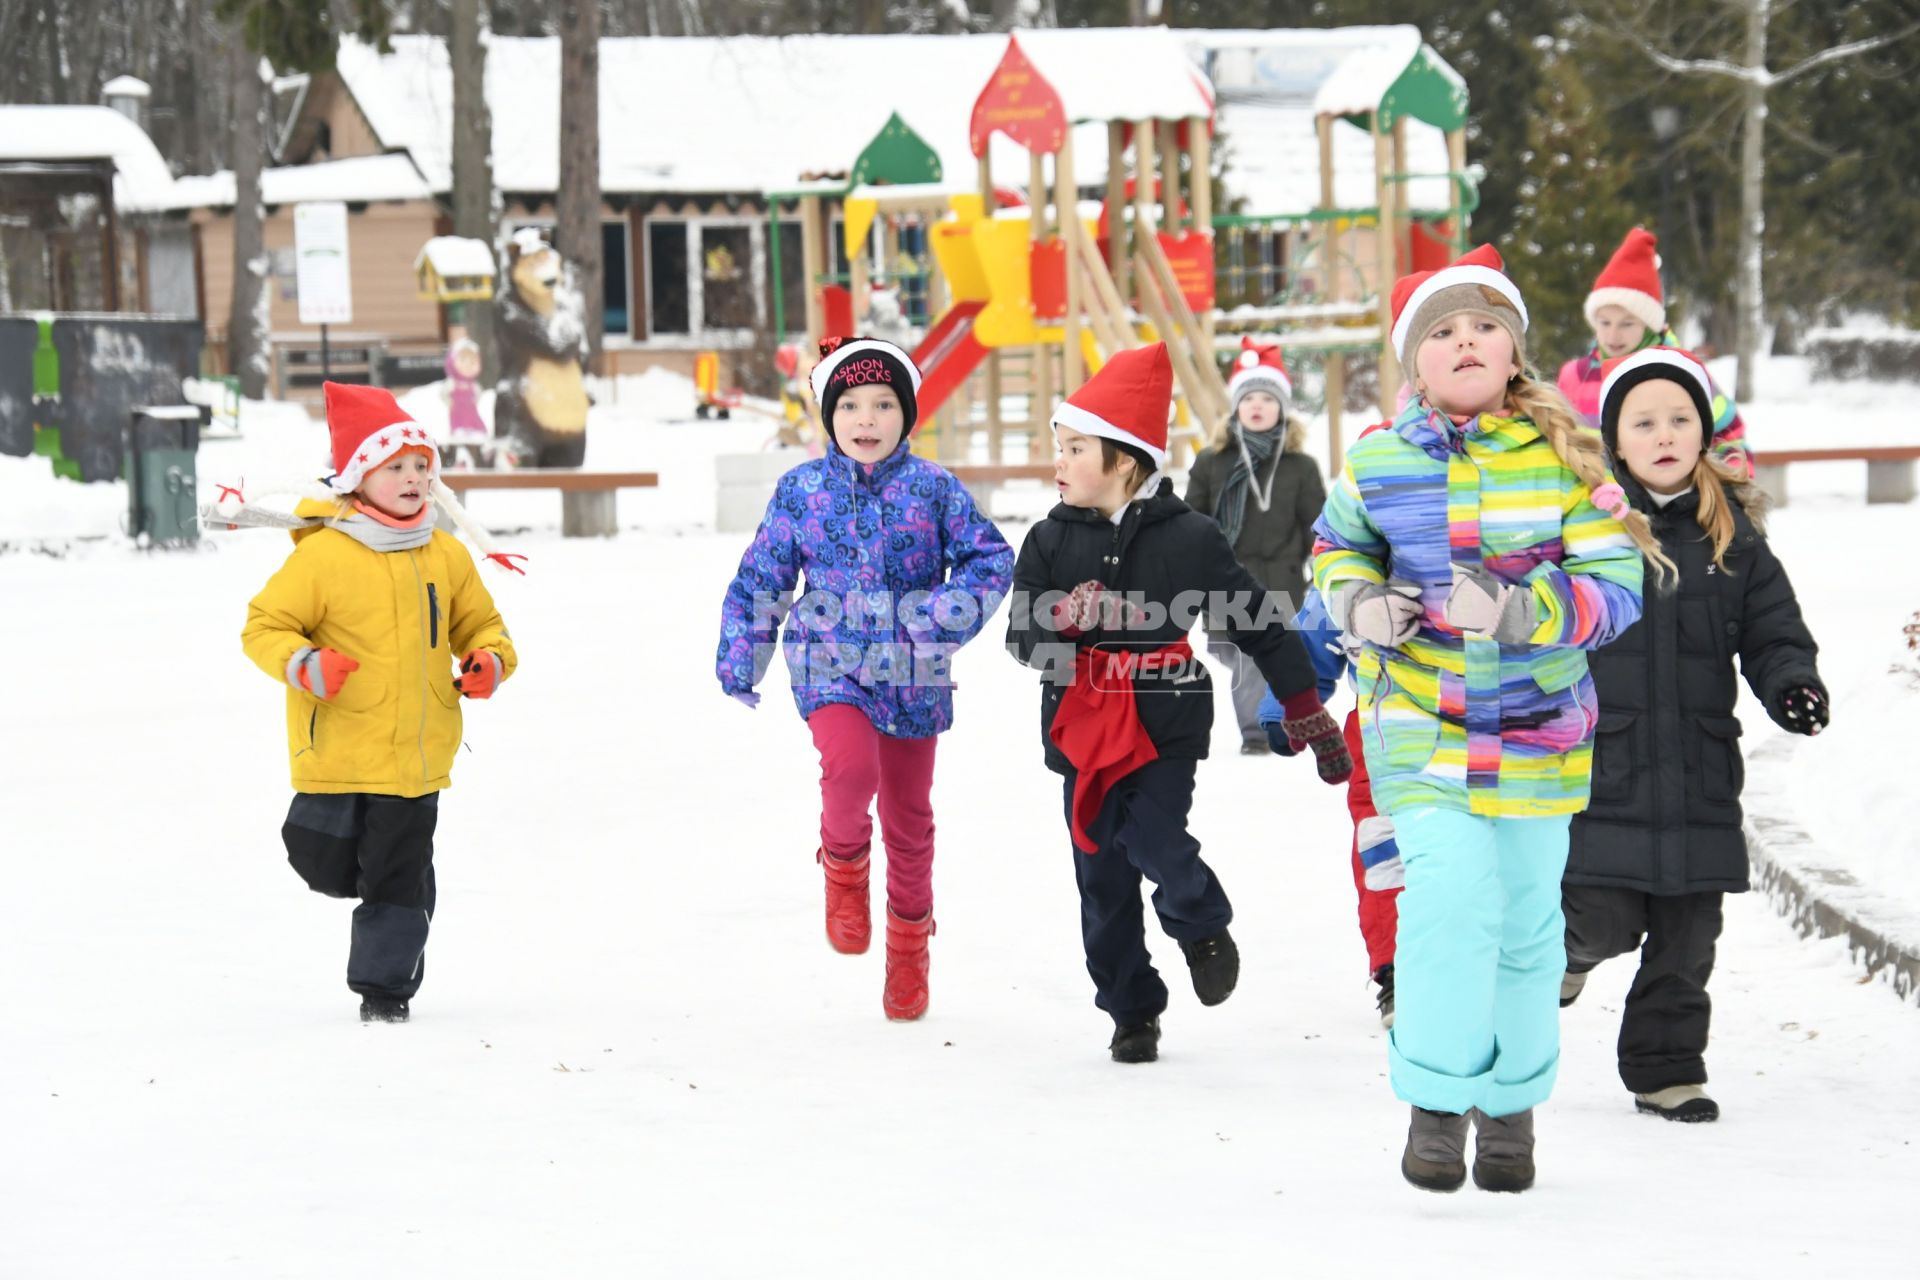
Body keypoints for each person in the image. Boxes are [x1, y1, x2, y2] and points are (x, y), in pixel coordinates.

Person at [1312, 245, 1663, 1193]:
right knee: (1446, 904)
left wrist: (1520, 610)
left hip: (1538, 732)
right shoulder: (1378, 463)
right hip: (1420, 723)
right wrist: (1359, 606)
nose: (1465, 340)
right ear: (1412, 362)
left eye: (1483, 326)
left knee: (1524, 928)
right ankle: (1435, 1100)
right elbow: (1332, 550)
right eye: (1442, 330)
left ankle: (1510, 1109)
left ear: (1514, 352)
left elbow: (1615, 585)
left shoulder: (1564, 461)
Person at [1006, 342, 1352, 1065]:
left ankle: (1198, 919)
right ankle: (1131, 1009)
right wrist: (1061, 625)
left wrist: (1304, 707)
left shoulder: (1189, 538)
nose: (1060, 463)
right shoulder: (1045, 539)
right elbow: (1021, 638)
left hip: (1164, 717)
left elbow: (1257, 620)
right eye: (1058, 448)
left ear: (1124, 461)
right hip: (1080, 725)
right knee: (1100, 877)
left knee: (1155, 837)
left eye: (1074, 448)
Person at [1561, 346, 1827, 1123]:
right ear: (1615, 439)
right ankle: (1568, 957)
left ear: (1705, 434)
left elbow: (1775, 632)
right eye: (1645, 422)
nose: (1666, 433)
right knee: (1603, 912)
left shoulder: (1733, 537)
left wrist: (1793, 685)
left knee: (1687, 938)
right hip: (1604, 763)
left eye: (1682, 418)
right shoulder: (1589, 527)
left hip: (1702, 767)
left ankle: (1666, 1069)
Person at [716, 337, 1014, 1022]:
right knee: (851, 773)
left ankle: (909, 951)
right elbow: (764, 576)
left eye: (883, 404)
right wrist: (743, 651)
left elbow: (990, 560)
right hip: (830, 662)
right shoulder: (803, 490)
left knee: (909, 819)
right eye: (849, 404)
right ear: (830, 415)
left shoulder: (934, 488)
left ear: (906, 415)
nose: (867, 419)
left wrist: (938, 618)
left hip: (913, 673)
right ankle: (844, 866)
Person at [242, 382, 518, 1024]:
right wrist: (304, 663)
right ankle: (395, 898)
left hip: (415, 758)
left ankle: (384, 989)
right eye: (396, 466)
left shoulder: (444, 555)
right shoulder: (324, 558)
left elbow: (484, 627)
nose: (415, 477)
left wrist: (490, 662)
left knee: (395, 874)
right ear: (360, 476)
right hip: (336, 751)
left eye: (423, 466)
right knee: (322, 860)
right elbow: (264, 627)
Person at [1256, 587, 1403, 1028]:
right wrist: (1284, 706)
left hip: (1487, 720)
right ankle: (1395, 969)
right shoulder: (1361, 546)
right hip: (1383, 721)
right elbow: (1314, 632)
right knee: (1384, 849)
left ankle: (1496, 968)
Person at [1184, 337, 1328, 754]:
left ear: (1282, 407)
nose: (1258, 405)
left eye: (1268, 397)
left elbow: (1316, 524)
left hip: (1282, 580)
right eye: (1250, 397)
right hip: (1226, 580)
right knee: (1241, 655)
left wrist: (1324, 566)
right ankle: (1272, 718)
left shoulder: (1300, 467)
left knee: (1258, 655)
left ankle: (1259, 733)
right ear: (1236, 407)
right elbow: (1194, 518)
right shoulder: (1213, 462)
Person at [1556, 227, 1751, 477]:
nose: (1613, 336)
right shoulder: (1574, 376)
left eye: (1627, 324)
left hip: (1671, 508)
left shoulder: (1682, 373)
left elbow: (1730, 438)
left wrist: (1730, 494)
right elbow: (1555, 444)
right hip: (1593, 509)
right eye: (1605, 323)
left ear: (1649, 325)